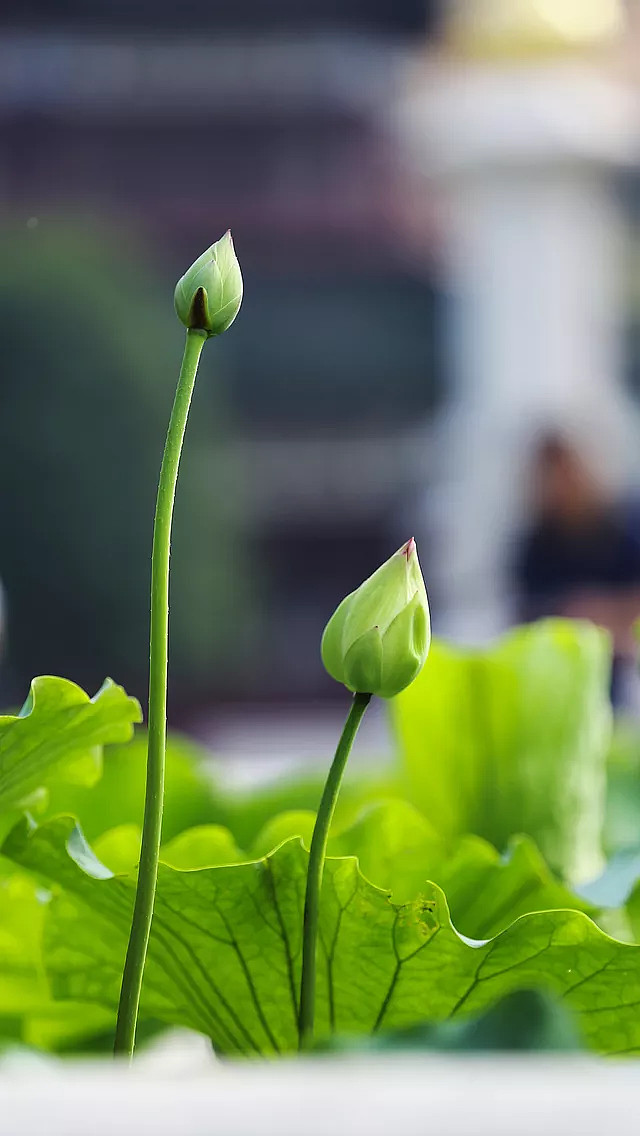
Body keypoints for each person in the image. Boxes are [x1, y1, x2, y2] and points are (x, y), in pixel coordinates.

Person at [513, 432, 640, 703]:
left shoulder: (621, 530)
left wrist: (602, 612)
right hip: (563, 672)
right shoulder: (537, 544)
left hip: (623, 665)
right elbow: (526, 616)